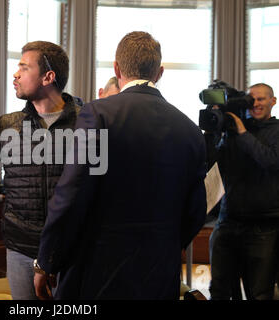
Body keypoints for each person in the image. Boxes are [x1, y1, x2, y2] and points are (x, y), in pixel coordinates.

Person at [33, 31, 207, 300]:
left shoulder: (98, 113)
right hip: (159, 274)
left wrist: (46, 260)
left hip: (98, 271)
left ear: (116, 68)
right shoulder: (191, 130)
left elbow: (71, 193)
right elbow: (196, 211)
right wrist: (163, 247)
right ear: (159, 73)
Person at [0, 41, 80, 299]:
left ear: (48, 77)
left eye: (24, 67)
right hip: (22, 251)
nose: (15, 74)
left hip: (73, 250)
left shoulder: (87, 123)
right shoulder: (8, 126)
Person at [206, 83, 279, 300]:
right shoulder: (234, 129)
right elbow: (217, 164)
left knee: (258, 292)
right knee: (219, 289)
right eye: (251, 99)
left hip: (263, 226)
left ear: (273, 101)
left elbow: (271, 161)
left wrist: (243, 133)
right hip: (229, 220)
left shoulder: (275, 131)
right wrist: (216, 130)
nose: (255, 104)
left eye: (261, 99)